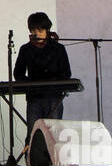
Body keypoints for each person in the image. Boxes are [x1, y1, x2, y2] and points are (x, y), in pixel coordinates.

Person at [14, 11, 72, 150]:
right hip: (34, 98)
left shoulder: (58, 48)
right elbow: (18, 73)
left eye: (40, 30)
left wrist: (52, 81)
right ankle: (33, 162)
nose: (37, 33)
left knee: (54, 134)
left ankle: (53, 164)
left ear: (47, 30)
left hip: (54, 97)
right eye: (33, 30)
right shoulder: (25, 49)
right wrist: (30, 83)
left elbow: (66, 73)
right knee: (33, 133)